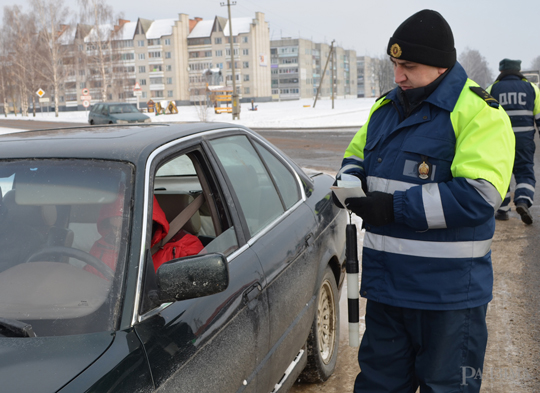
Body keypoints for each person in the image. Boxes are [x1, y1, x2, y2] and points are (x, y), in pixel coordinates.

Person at [333, 9, 515, 392]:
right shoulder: (386, 109)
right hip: (387, 292)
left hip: (448, 300)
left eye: (408, 67)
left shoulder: (479, 114)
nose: (398, 76)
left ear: (440, 67)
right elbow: (355, 155)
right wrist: (349, 181)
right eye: (395, 64)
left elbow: (479, 197)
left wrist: (393, 207)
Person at [487, 59, 540, 224]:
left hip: (501, 141)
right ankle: (523, 201)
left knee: (502, 174)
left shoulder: (492, 89)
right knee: (524, 171)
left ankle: (502, 210)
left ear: (501, 71)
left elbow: (486, 118)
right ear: (519, 71)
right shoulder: (532, 89)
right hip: (524, 141)